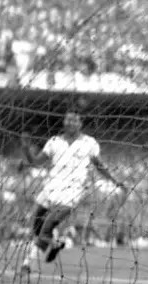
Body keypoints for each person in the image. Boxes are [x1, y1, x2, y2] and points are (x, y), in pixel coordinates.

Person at [18, 110, 126, 275]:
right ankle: (49, 247)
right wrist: (26, 148)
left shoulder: (89, 143)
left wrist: (114, 180)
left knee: (47, 227)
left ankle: (29, 263)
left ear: (80, 123)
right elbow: (36, 162)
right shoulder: (54, 141)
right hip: (50, 187)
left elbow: (99, 165)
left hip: (72, 191)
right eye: (67, 119)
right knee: (37, 229)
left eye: (74, 120)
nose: (70, 123)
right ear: (63, 122)